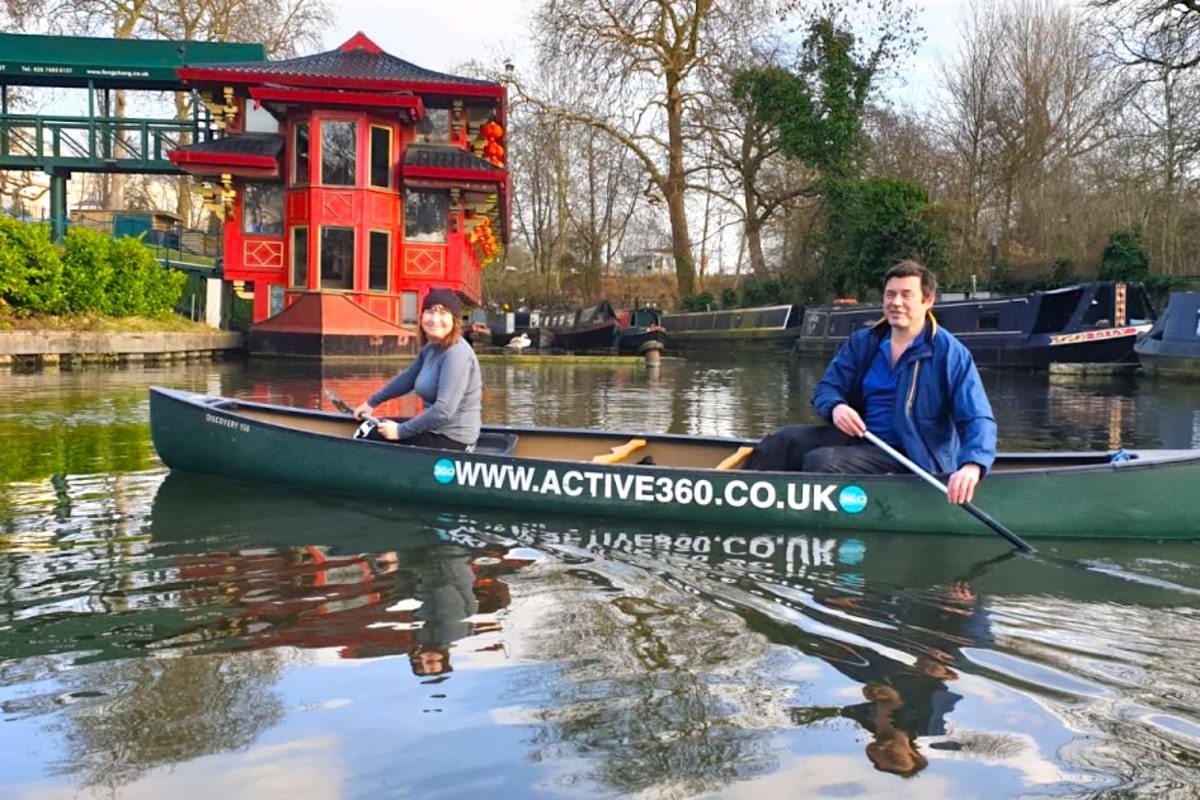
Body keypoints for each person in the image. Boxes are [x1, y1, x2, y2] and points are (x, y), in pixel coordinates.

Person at [744, 260, 996, 505]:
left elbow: (977, 417)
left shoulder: (951, 354)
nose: (896, 303)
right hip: (858, 441)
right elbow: (827, 388)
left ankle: (807, 522)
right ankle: (741, 499)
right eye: (890, 295)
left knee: (823, 462)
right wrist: (836, 407)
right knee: (782, 440)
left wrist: (972, 466)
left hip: (913, 454)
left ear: (927, 301)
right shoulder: (864, 342)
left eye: (906, 295)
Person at [353, 287, 482, 450]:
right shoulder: (431, 347)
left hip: (453, 440)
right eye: (429, 311)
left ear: (455, 320)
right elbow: (409, 378)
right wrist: (371, 402)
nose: (434, 319)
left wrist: (400, 432)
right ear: (421, 317)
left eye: (442, 313)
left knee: (373, 436)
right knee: (372, 428)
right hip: (433, 430)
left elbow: (443, 411)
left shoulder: (457, 354)